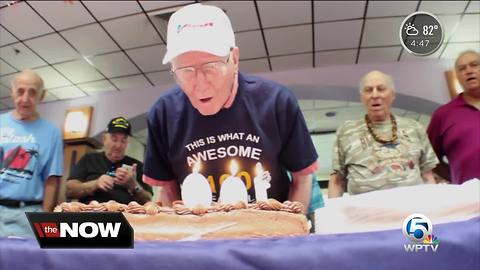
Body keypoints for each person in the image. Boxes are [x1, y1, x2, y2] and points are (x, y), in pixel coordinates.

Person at [143, 3, 318, 213]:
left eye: (211, 67)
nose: (200, 83)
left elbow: (302, 178)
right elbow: (167, 189)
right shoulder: (163, 115)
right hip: (199, 234)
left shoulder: (276, 102)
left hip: (269, 232)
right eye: (185, 70)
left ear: (234, 59)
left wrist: (288, 235)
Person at [328, 70, 438, 198]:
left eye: (381, 89)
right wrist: (332, 214)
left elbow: (427, 174)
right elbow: (337, 180)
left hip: (414, 209)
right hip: (367, 213)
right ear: (362, 96)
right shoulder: (346, 131)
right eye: (368, 90)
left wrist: (434, 206)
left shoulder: (414, 127)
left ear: (392, 94)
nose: (375, 95)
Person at [0, 70, 63, 237]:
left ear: (42, 96)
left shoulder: (52, 132)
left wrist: (45, 219)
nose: (25, 98)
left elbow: (52, 179)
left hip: (29, 215)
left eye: (32, 92)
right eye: (20, 91)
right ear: (12, 93)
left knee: (26, 263)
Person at [66, 116, 152, 204]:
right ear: (104, 139)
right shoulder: (89, 159)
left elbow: (148, 200)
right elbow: (69, 190)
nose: (118, 145)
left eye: (123, 140)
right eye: (114, 139)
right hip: (90, 214)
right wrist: (95, 184)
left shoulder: (137, 166)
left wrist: (133, 185)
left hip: (124, 216)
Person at [427, 50, 480, 185]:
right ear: (457, 76)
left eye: (474, 65)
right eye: (462, 69)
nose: (469, 71)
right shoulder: (443, 115)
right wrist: (456, 178)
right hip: (470, 199)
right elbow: (430, 158)